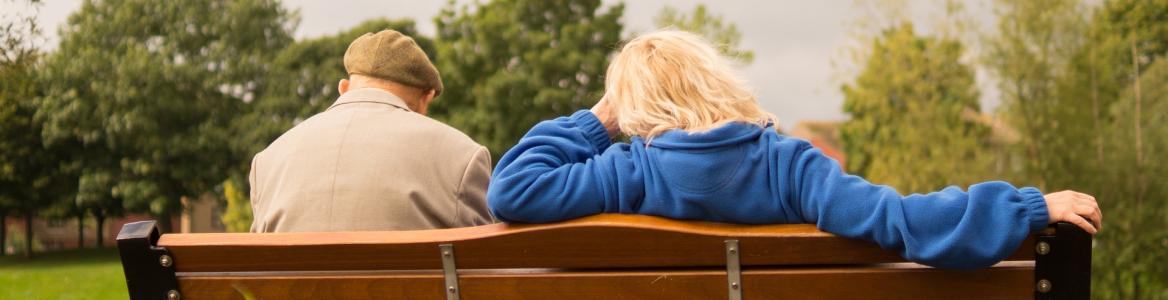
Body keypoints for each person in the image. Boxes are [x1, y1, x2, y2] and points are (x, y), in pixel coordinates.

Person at [486, 30, 1101, 269]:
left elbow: (512, 188)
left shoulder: (625, 171)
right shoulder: (789, 165)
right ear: (716, 83)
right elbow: (898, 220)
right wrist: (1025, 208)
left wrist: (598, 122)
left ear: (635, 109)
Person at [250, 30, 494, 232]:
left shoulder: (267, 161)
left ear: (343, 88)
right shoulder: (463, 156)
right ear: (426, 97)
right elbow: (484, 267)